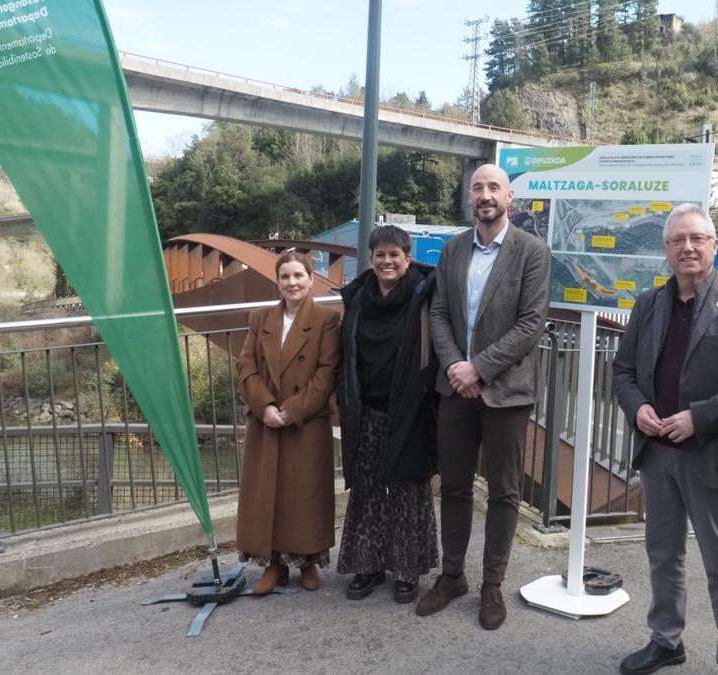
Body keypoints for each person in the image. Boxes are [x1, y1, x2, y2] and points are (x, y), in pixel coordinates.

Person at [612, 203, 718, 675]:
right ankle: (666, 640)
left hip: (710, 456)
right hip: (657, 456)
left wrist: (700, 417)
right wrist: (639, 409)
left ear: (714, 245)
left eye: (697, 238)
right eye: (677, 241)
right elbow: (624, 372)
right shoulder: (649, 304)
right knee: (663, 555)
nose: (688, 247)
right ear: (666, 250)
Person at [417, 163, 551, 630]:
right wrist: (457, 366)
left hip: (506, 392)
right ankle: (451, 574)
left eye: (494, 187)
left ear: (508, 198)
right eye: (478, 188)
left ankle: (492, 583)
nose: (485, 195)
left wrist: (480, 367)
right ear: (470, 198)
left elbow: (531, 323)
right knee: (453, 485)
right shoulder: (453, 249)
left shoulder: (531, 252)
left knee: (504, 491)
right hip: (454, 389)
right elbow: (437, 312)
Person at [336, 225, 440, 604]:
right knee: (367, 489)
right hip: (366, 409)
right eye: (379, 254)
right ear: (371, 259)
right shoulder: (359, 298)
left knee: (408, 488)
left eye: (394, 254)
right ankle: (368, 563)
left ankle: (407, 570)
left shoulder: (424, 293)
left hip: (411, 406)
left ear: (407, 258)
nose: (386, 261)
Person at [236, 250, 341, 593]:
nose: (292, 282)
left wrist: (293, 409)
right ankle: (275, 565)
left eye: (299, 276)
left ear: (311, 280)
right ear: (277, 282)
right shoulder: (260, 318)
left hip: (305, 419)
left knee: (305, 492)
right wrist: (265, 405)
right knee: (269, 493)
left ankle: (309, 560)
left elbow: (327, 373)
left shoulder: (326, 319)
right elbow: (247, 366)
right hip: (266, 419)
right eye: (285, 277)